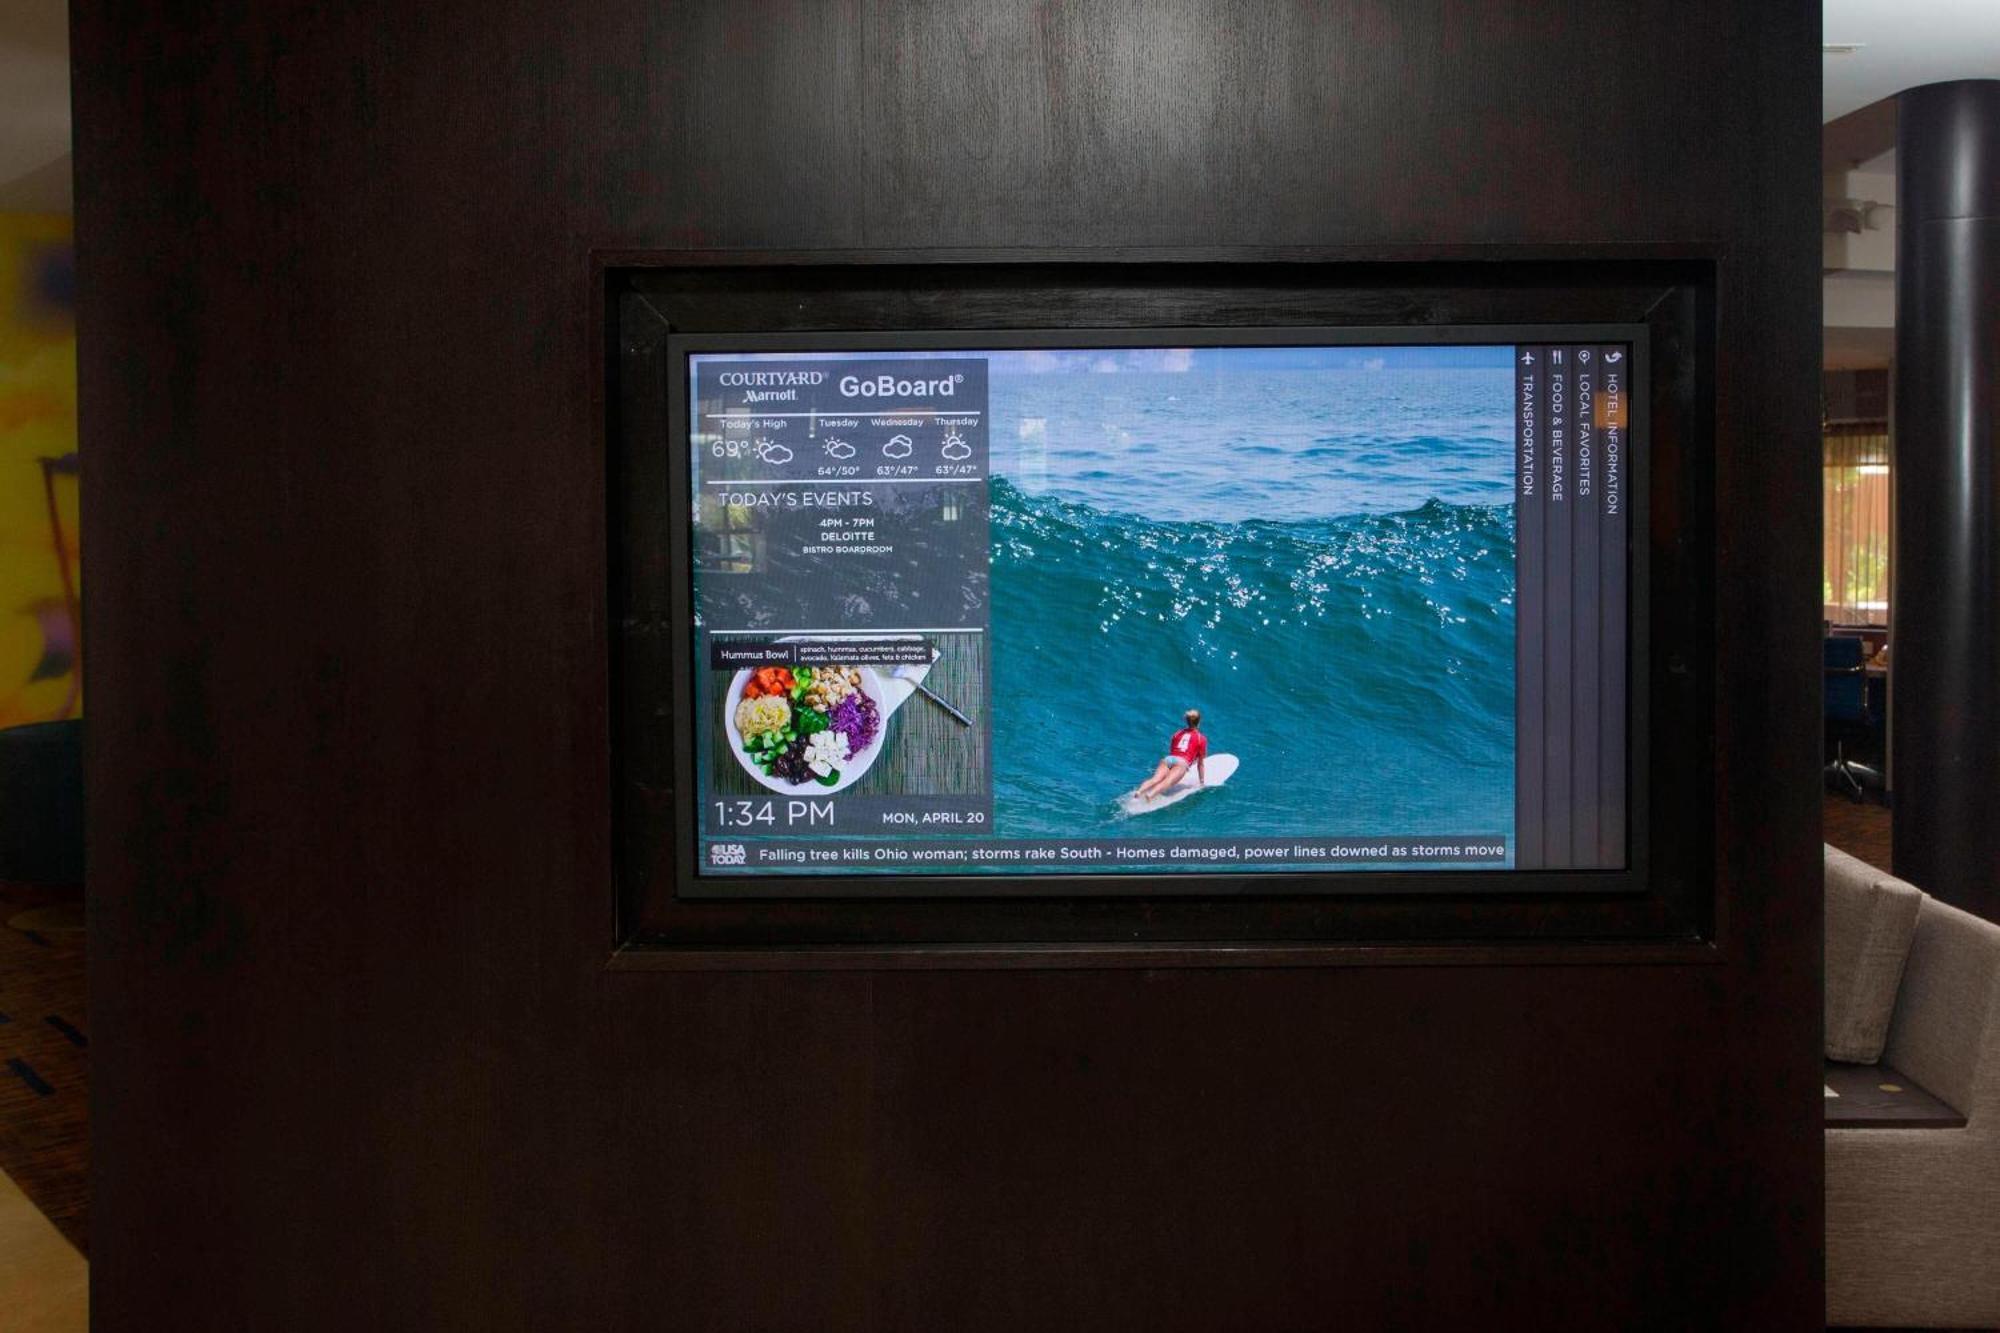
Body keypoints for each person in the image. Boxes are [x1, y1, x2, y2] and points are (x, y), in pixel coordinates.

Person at [1135, 709, 1207, 801]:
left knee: (1155, 778)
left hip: (1169, 759)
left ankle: (1139, 791)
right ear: (1199, 721)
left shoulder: (1177, 733)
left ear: (1187, 721)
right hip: (1181, 763)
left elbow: (1173, 751)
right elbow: (1200, 764)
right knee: (1167, 782)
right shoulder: (1201, 738)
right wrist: (1202, 782)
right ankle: (1150, 795)